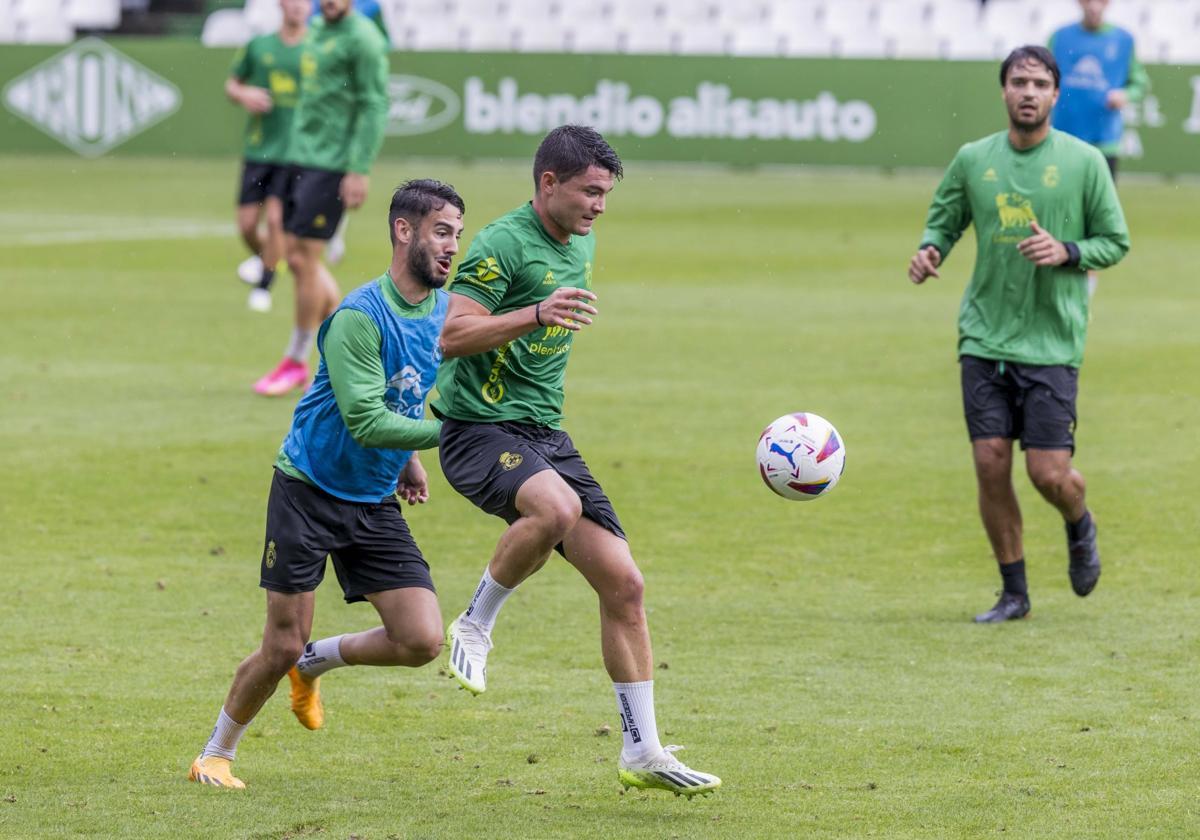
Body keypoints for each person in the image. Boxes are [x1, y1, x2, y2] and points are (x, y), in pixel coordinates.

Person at [433, 125, 720, 798]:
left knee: (625, 585)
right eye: (590, 191)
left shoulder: (581, 241)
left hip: (545, 435)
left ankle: (642, 750)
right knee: (555, 508)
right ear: (548, 184)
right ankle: (475, 623)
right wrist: (536, 312)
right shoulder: (501, 243)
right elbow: (448, 334)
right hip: (477, 429)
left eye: (606, 194)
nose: (599, 206)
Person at [189, 179, 466, 789]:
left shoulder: (444, 313)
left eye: (457, 236)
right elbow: (366, 417)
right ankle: (215, 752)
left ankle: (318, 662)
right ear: (404, 230)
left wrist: (410, 457)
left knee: (420, 639)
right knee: (282, 642)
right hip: (308, 491)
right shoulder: (358, 317)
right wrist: (448, 438)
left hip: (372, 496)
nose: (452, 248)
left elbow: (408, 390)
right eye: (442, 232)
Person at [907, 46, 1129, 623]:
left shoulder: (1084, 163)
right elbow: (944, 220)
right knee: (989, 462)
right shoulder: (973, 158)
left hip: (1051, 341)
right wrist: (931, 250)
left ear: (1057, 95)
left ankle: (1079, 523)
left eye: (1039, 83)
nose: (1028, 92)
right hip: (984, 335)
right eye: (1018, 82)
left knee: (1048, 474)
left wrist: (1067, 251)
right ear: (1003, 91)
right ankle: (1014, 592)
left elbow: (1115, 241)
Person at [254, 0, 390, 397]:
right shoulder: (315, 28)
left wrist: (358, 168)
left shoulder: (363, 39)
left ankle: (296, 360)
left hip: (331, 164)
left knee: (305, 259)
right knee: (296, 258)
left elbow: (374, 104)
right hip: (299, 155)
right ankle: (352, 348)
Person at [1049, 0, 1150, 297]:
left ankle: (1086, 290)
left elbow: (1139, 82)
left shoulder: (1123, 39)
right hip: (1064, 140)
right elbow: (1042, 72)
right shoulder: (1060, 36)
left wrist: (1125, 94)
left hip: (1103, 142)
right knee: (1059, 210)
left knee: (1096, 217)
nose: (1093, 5)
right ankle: (1052, 275)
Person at [226, 0, 309, 313]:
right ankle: (268, 260)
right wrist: (244, 94)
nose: (298, 7)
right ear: (281, 4)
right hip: (259, 147)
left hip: (295, 152)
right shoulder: (259, 47)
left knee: (276, 220)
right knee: (247, 225)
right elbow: (231, 85)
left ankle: (263, 286)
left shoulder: (316, 50)